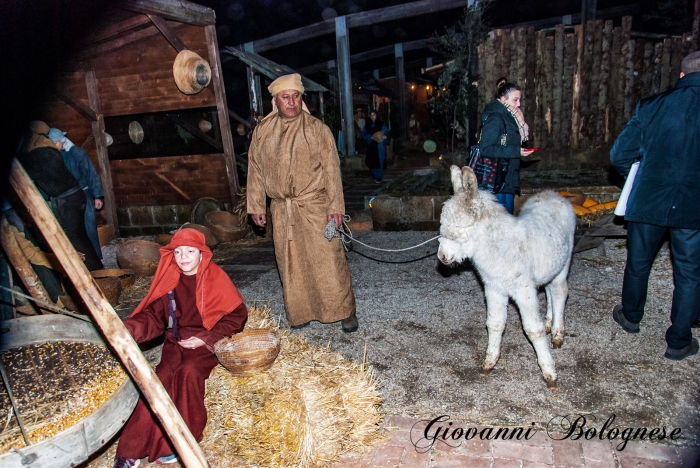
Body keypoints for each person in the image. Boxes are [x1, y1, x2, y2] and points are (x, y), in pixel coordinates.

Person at [113, 228, 248, 467]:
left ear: (201, 254)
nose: (183, 257)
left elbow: (236, 316)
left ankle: (183, 439)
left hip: (205, 343)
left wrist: (207, 338)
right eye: (177, 252)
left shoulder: (215, 277)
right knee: (160, 377)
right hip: (176, 341)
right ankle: (130, 451)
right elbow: (154, 317)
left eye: (190, 251)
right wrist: (127, 329)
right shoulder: (170, 279)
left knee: (188, 373)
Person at [246, 73, 358, 333]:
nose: (292, 102)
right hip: (282, 209)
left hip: (315, 206)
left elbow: (332, 169)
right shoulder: (263, 132)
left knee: (329, 259)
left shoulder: (317, 129)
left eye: (296, 96)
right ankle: (300, 312)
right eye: (286, 97)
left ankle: (345, 312)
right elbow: (255, 170)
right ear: (275, 100)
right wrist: (256, 205)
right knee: (291, 263)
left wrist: (335, 207)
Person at [610, 51, 700, 361]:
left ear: (680, 75)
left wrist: (640, 179)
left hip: (649, 200)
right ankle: (678, 340)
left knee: (638, 263)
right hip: (693, 205)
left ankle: (631, 316)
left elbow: (619, 155)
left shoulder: (651, 106)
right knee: (689, 273)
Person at [16, 121, 103, 271]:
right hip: (75, 197)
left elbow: (22, 168)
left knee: (72, 238)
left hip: (67, 201)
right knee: (79, 235)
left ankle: (87, 272)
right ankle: (96, 269)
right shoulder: (50, 150)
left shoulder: (40, 154)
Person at [48, 128, 104, 260]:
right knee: (72, 230)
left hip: (83, 194)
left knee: (89, 226)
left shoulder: (77, 153)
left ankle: (95, 258)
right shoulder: (53, 156)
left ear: (62, 140)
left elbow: (91, 174)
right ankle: (77, 259)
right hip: (65, 199)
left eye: (56, 143)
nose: (54, 146)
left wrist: (97, 196)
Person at [478, 82, 531, 214]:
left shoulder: (510, 116)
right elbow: (486, 148)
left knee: (507, 222)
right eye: (515, 100)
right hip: (497, 179)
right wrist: (515, 152)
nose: (518, 104)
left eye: (520, 100)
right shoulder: (496, 117)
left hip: (507, 178)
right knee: (501, 223)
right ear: (503, 99)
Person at [361, 109, 391, 183]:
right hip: (371, 146)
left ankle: (379, 177)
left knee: (379, 160)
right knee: (372, 161)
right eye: (371, 115)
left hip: (379, 146)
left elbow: (387, 133)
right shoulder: (368, 126)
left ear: (376, 116)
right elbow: (363, 134)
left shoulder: (381, 125)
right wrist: (370, 137)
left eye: (374, 115)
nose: (372, 117)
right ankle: (375, 175)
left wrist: (385, 137)